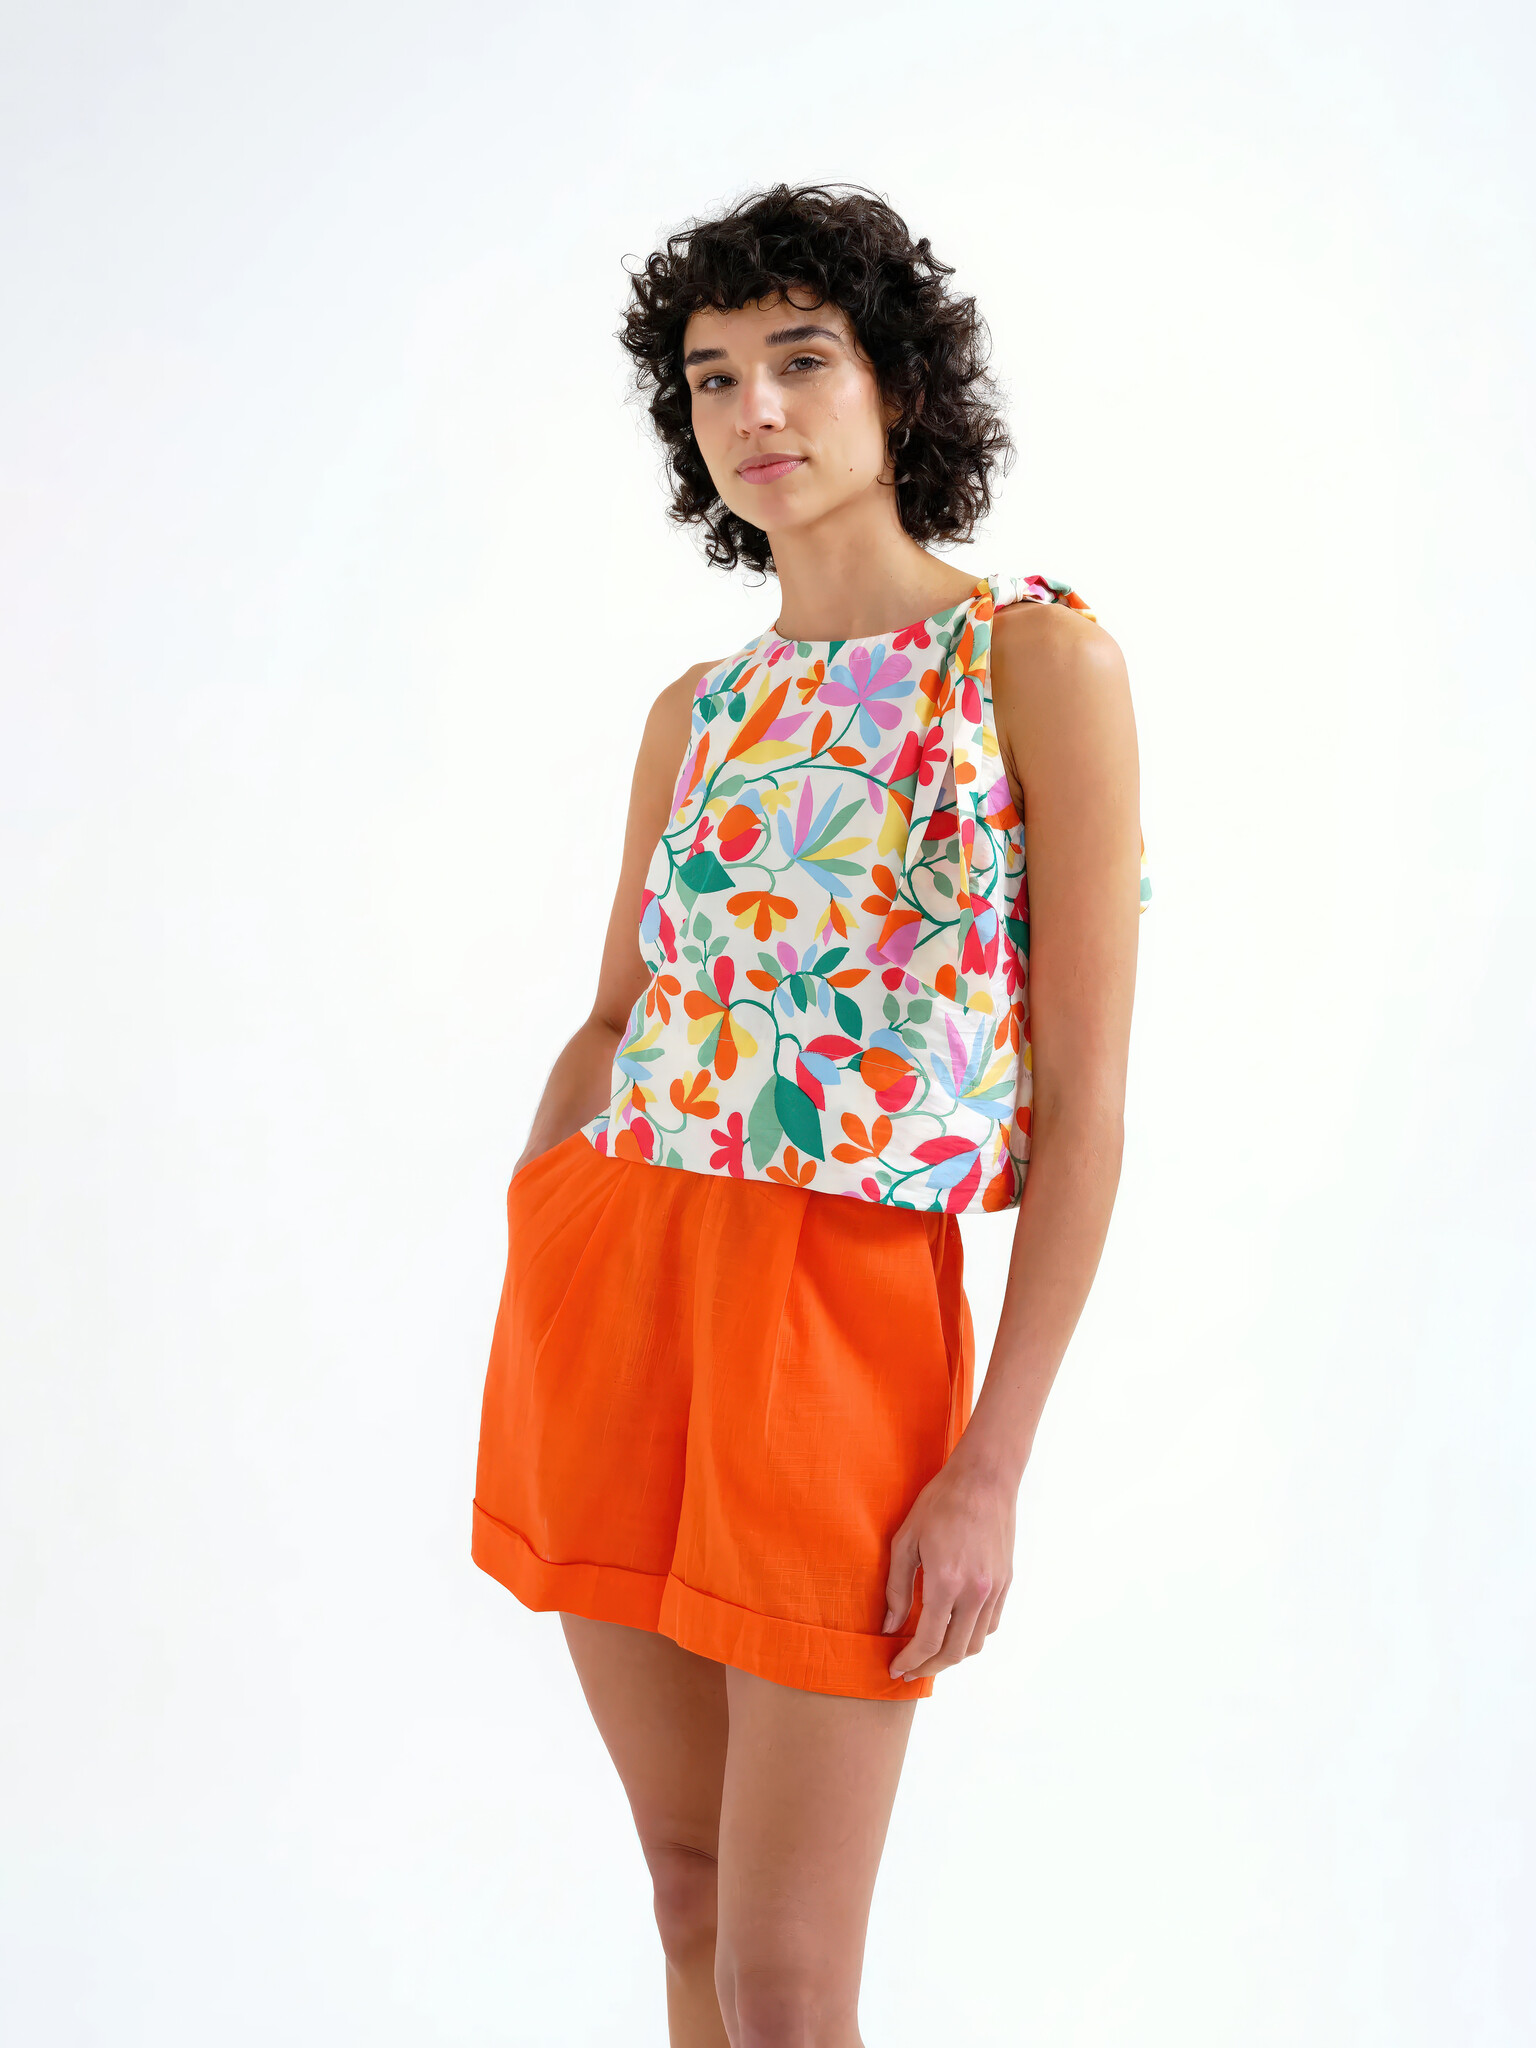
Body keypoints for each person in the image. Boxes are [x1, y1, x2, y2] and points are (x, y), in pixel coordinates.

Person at [470, 181, 1150, 2048]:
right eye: (711, 379)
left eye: (801, 359)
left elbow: (1089, 1101)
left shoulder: (1033, 662)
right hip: (617, 1292)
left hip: (843, 1326)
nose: (754, 410)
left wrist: (990, 1467)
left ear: (898, 386)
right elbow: (617, 1019)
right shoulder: (698, 710)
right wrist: (541, 1226)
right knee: (686, 1894)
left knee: (786, 1984)